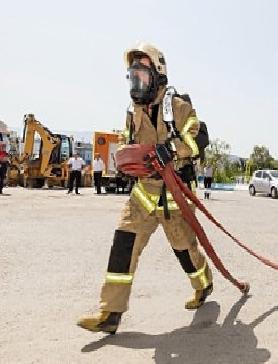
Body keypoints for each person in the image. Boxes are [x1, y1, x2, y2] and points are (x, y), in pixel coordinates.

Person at [77, 42, 213, 334]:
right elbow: (129, 142)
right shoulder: (133, 111)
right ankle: (110, 313)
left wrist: (172, 150)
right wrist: (127, 161)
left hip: (174, 195)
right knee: (123, 246)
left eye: (142, 75)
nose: (137, 82)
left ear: (158, 74)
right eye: (133, 76)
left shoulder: (177, 105)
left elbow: (199, 138)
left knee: (184, 249)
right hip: (143, 195)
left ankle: (204, 284)